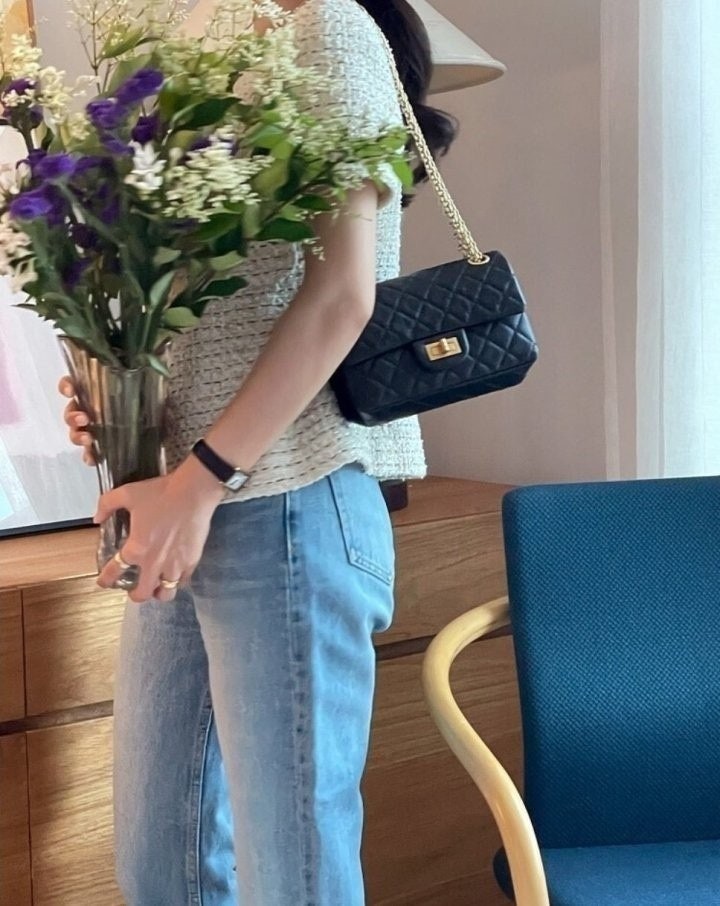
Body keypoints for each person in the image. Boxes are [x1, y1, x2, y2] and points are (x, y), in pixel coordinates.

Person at [58, 0, 458, 902]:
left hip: (287, 499)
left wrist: (197, 482)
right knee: (161, 871)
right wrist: (120, 401)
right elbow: (208, 305)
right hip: (185, 507)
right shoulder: (194, 43)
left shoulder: (329, 28)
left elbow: (342, 295)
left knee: (294, 880)